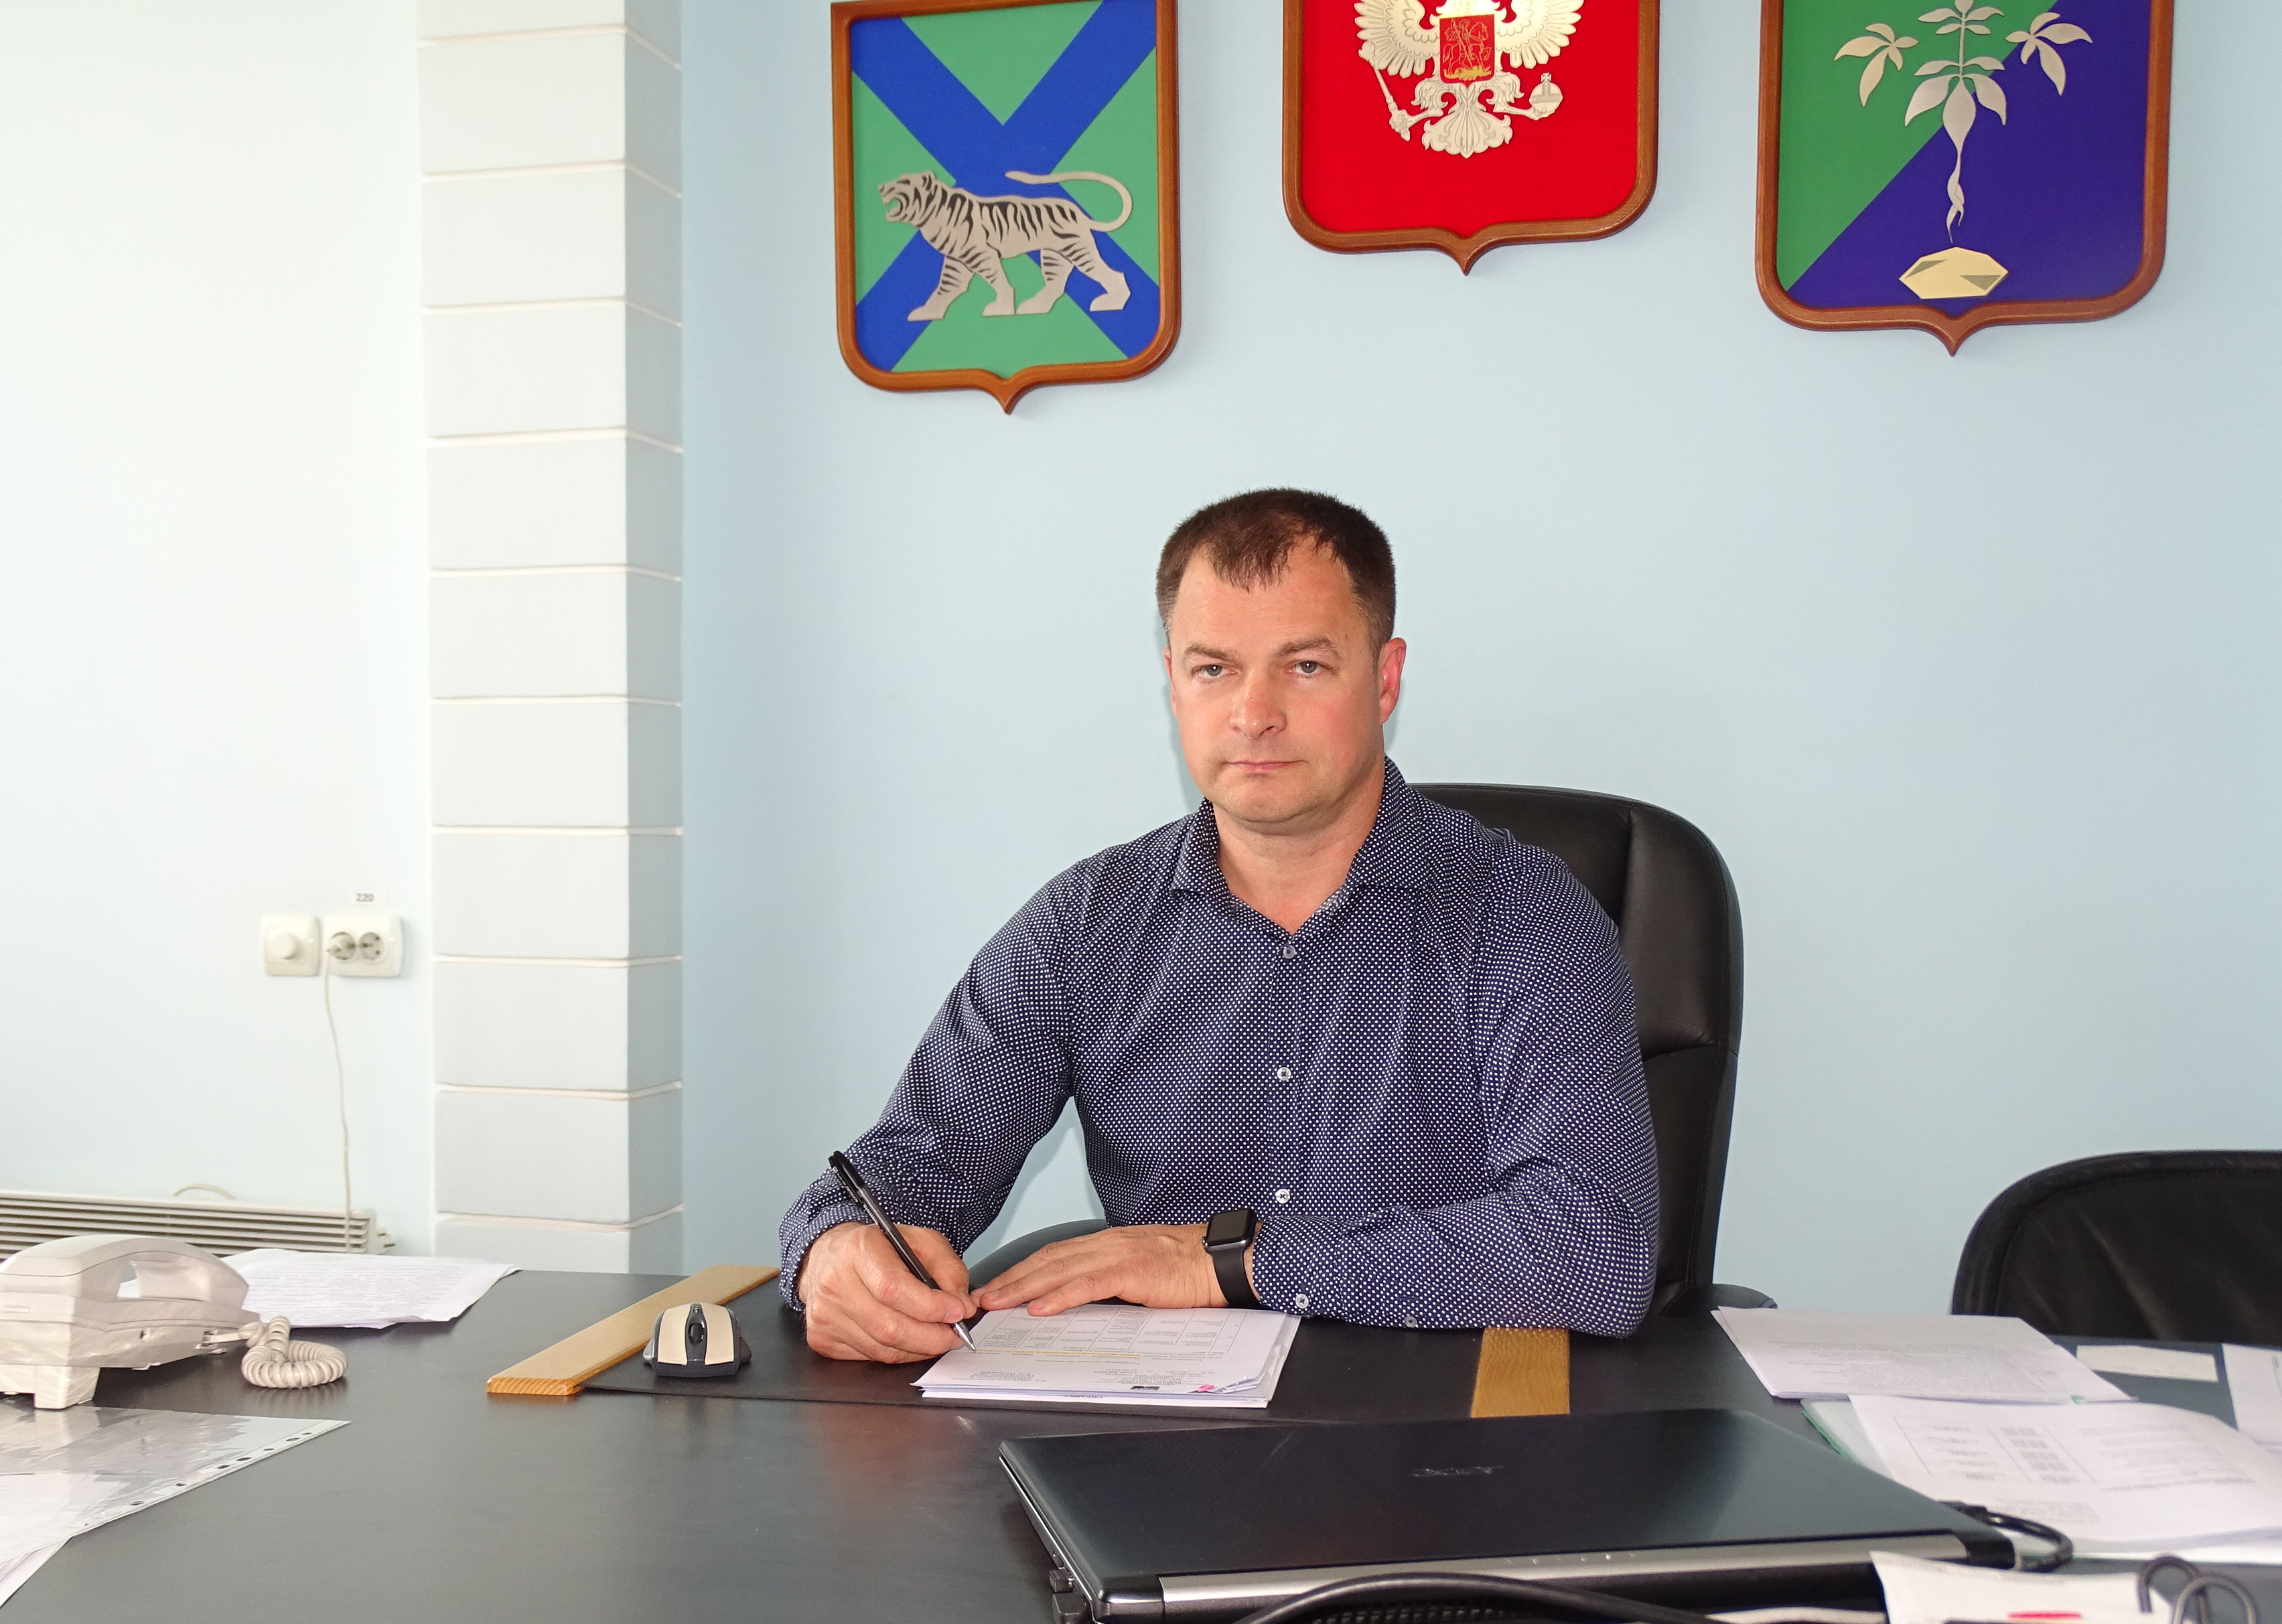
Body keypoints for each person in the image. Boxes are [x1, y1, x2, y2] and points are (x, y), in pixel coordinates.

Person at [780, 490, 1659, 1364]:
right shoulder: (1085, 928)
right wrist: (837, 1254)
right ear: (1173, 684)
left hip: (1444, 1418)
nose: (1253, 713)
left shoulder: (1520, 914)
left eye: (1304, 666)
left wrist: (1231, 1261)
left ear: (1385, 679)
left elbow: (1597, 1248)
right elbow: (899, 1174)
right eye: (1214, 670)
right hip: (1162, 1428)